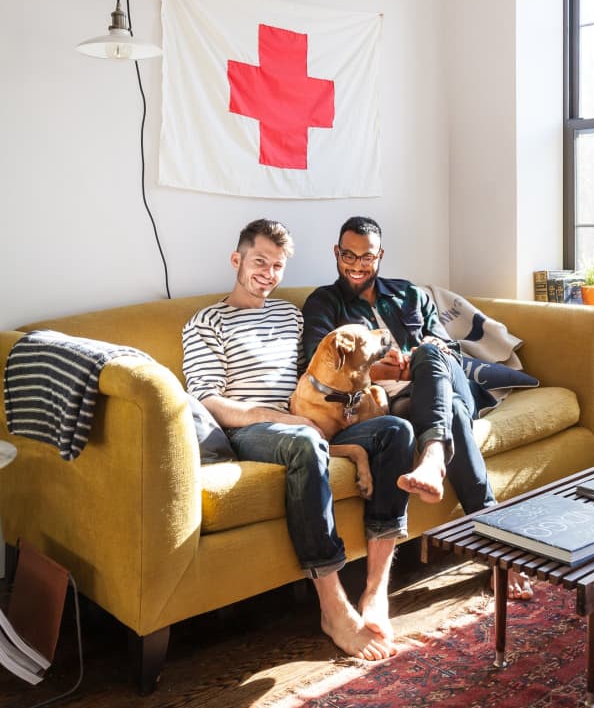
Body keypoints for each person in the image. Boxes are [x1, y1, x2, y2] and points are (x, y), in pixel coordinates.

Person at [182, 219, 416, 660]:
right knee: (306, 443)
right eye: (259, 262)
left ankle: (375, 590)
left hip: (306, 421)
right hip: (250, 431)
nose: (268, 273)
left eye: (277, 265)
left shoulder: (291, 314)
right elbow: (208, 400)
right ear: (237, 260)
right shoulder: (206, 322)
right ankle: (332, 606)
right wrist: (286, 420)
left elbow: (325, 374)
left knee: (395, 431)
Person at [302, 216, 533, 600]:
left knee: (429, 352)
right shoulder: (324, 304)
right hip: (395, 404)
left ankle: (433, 452)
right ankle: (496, 548)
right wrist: (374, 368)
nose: (357, 265)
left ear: (381, 256)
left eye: (367, 257)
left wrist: (426, 354)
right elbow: (318, 361)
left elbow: (449, 347)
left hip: (440, 380)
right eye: (348, 255)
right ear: (336, 252)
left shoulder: (410, 294)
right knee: (454, 415)